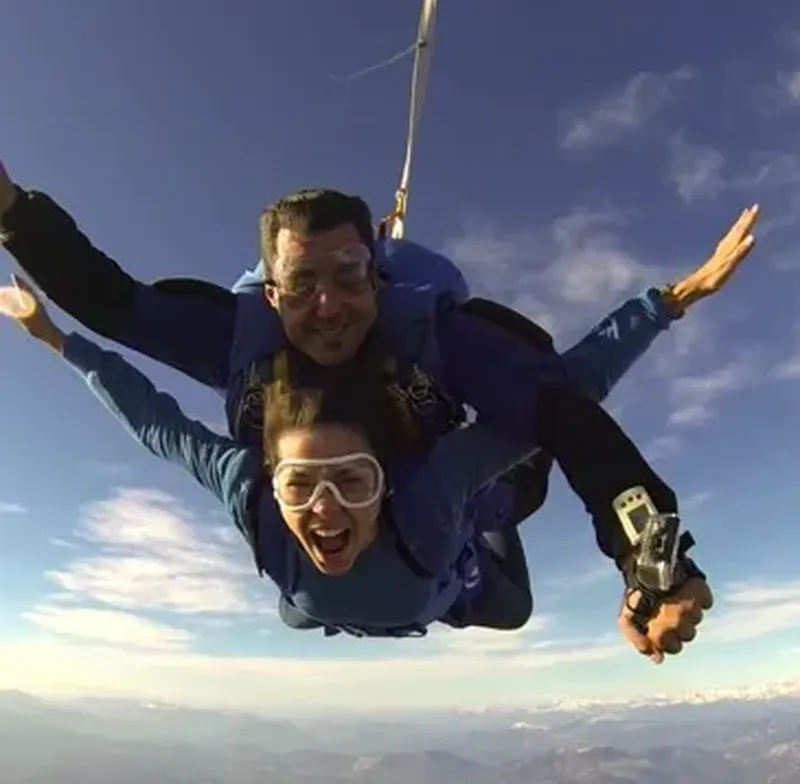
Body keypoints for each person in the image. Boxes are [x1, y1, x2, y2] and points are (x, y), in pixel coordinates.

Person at [1, 167, 751, 657]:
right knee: (330, 597)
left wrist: (650, 560)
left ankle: (473, 535)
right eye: (302, 285)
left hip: (444, 527)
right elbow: (112, 305)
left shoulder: (436, 347)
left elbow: (564, 406)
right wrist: (12, 215)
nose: (328, 307)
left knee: (510, 526)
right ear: (271, 295)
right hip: (388, 549)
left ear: (379, 281)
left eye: (350, 277)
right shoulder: (242, 355)